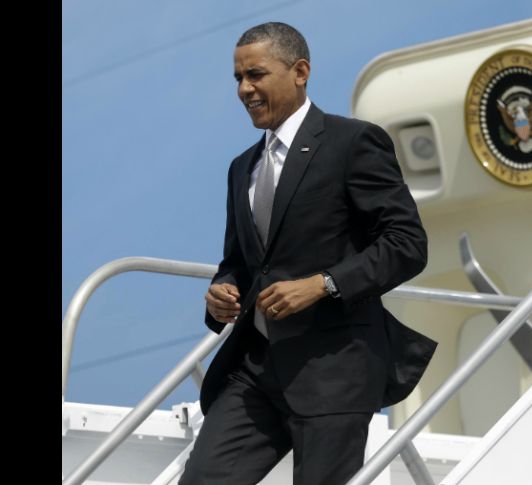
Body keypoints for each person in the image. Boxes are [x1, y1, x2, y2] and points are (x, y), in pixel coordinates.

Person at [179, 22, 437, 485]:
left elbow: (407, 244)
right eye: (238, 78)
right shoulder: (243, 168)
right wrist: (223, 289)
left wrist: (324, 284)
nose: (244, 89)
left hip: (334, 369)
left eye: (255, 74)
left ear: (300, 71)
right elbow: (239, 262)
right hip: (254, 370)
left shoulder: (353, 143)